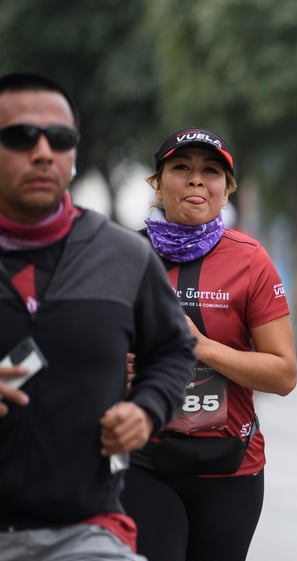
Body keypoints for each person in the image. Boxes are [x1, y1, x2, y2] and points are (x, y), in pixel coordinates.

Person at [0, 72, 196, 561]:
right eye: (21, 137)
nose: (43, 151)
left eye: (60, 139)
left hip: (84, 530)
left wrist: (147, 409)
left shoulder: (124, 255)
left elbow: (173, 351)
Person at [121, 127, 297, 561]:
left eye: (211, 171)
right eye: (181, 168)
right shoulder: (123, 254)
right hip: (144, 462)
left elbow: (284, 374)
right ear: (158, 184)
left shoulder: (251, 260)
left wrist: (200, 348)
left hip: (230, 468)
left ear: (227, 189)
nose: (197, 180)